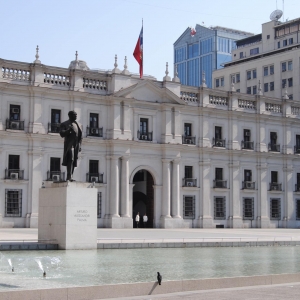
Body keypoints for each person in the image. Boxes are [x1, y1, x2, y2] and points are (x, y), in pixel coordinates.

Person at [59, 111, 82, 181]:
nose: (76, 116)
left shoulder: (78, 124)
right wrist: (68, 130)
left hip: (76, 144)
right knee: (70, 159)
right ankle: (69, 176)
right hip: (69, 144)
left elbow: (80, 136)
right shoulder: (64, 124)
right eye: (74, 115)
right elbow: (61, 134)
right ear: (70, 115)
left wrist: (80, 145)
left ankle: (71, 175)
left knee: (74, 160)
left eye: (76, 115)